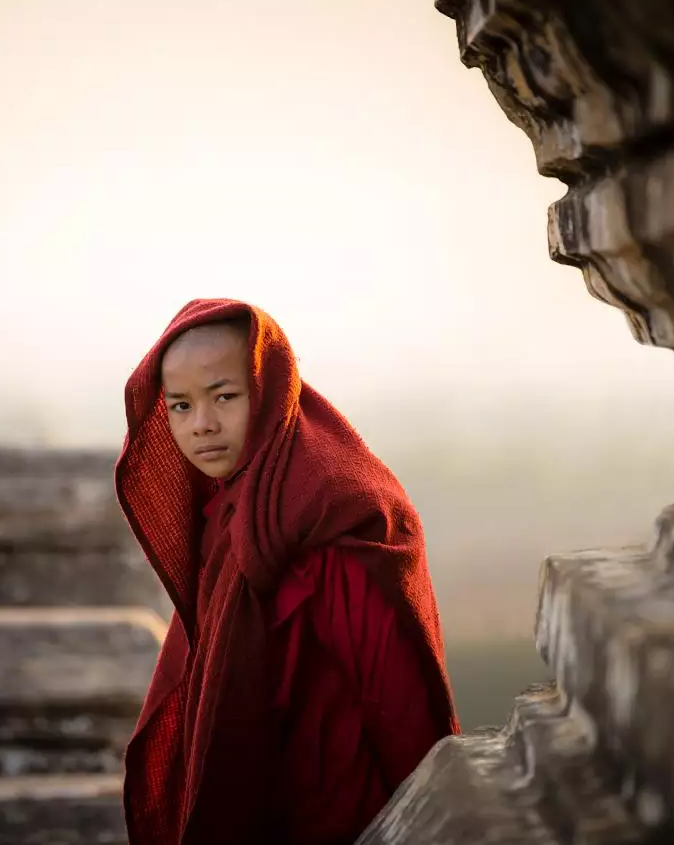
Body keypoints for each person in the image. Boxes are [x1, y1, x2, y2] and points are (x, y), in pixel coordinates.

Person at [115, 298, 459, 845]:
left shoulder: (331, 519)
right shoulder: (228, 511)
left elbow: (401, 710)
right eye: (180, 406)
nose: (202, 425)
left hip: (349, 815)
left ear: (269, 391)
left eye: (224, 397)